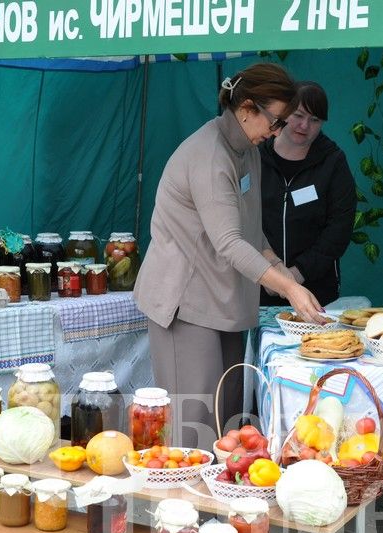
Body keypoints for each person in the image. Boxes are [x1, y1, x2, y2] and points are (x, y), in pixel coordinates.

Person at [133, 63, 324, 447]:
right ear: (246, 108)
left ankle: (217, 506)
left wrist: (283, 271)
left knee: (229, 422)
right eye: (275, 122)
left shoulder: (247, 150)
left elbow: (251, 231)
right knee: (194, 426)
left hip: (223, 298)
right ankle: (182, 507)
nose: (276, 133)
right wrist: (288, 288)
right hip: (184, 302)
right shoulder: (209, 155)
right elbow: (230, 243)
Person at [259, 81, 358, 307]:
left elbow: (340, 227)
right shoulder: (256, 157)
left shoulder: (333, 161)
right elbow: (244, 221)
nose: (304, 125)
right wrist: (269, 273)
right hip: (261, 285)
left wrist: (298, 273)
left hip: (315, 290)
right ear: (284, 113)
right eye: (298, 115)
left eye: (315, 120)